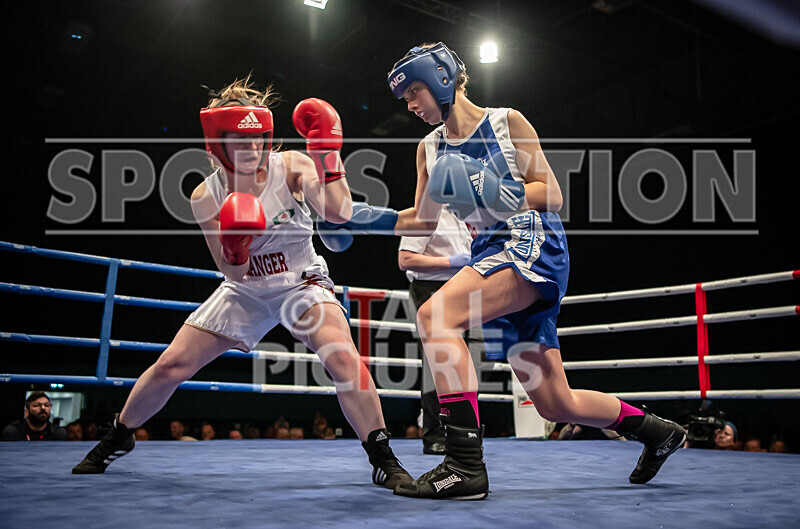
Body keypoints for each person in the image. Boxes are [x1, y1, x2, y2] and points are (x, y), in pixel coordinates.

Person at [318, 43, 686, 499]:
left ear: (441, 78)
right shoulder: (428, 149)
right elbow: (423, 221)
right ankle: (657, 431)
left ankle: (464, 464)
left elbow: (551, 195)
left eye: (415, 90)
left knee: (436, 316)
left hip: (531, 242)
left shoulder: (506, 122)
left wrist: (493, 188)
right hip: (489, 253)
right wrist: (362, 216)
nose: (411, 104)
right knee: (555, 403)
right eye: (405, 98)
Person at [71, 76, 412, 490]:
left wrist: (327, 155)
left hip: (301, 281)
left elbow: (338, 214)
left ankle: (383, 457)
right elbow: (231, 272)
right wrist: (236, 245)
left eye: (259, 139)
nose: (253, 149)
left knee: (342, 357)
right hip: (245, 287)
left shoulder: (291, 166)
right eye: (241, 140)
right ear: (218, 143)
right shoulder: (205, 195)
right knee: (170, 365)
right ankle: (119, 435)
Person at [398, 205, 473, 454]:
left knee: (464, 362)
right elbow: (405, 259)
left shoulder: (465, 215)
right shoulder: (424, 214)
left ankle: (462, 431)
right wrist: (450, 261)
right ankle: (434, 434)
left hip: (462, 287)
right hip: (430, 287)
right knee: (437, 363)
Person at [1, 392, 67, 441]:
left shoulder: (58, 432)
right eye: (37, 405)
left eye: (46, 405)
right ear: (26, 412)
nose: (43, 408)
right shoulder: (13, 432)